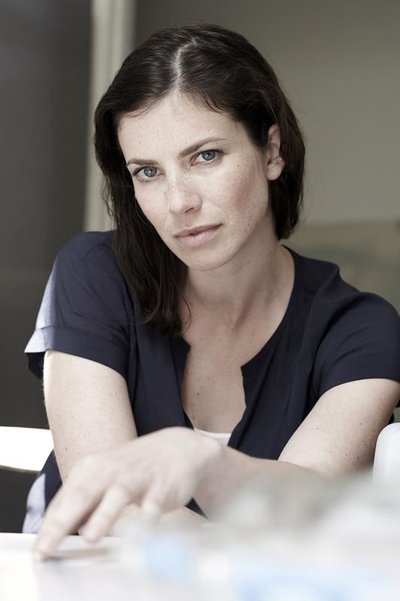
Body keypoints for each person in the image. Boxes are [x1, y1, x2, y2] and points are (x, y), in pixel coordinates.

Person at [24, 24, 400, 560]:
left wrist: (206, 463)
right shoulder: (93, 273)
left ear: (272, 151)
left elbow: (308, 502)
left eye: (204, 156)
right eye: (147, 171)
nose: (179, 202)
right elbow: (108, 500)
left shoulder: (361, 329)